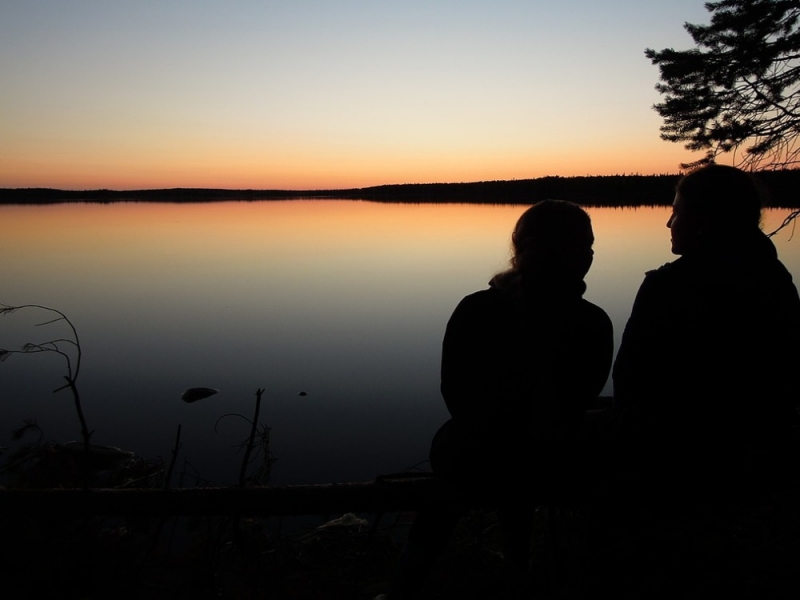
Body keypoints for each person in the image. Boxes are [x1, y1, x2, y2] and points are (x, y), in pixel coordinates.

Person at [385, 200, 613, 598]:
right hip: (548, 459)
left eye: (590, 245)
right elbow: (579, 399)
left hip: (474, 453)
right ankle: (520, 572)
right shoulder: (593, 320)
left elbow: (454, 391)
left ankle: (404, 586)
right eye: (582, 245)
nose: (589, 254)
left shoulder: (477, 308)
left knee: (456, 466)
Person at [612, 163, 800, 503]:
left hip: (678, 453)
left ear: (704, 222)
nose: (669, 223)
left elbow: (629, 381)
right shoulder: (776, 281)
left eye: (676, 212)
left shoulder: (666, 287)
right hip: (762, 446)